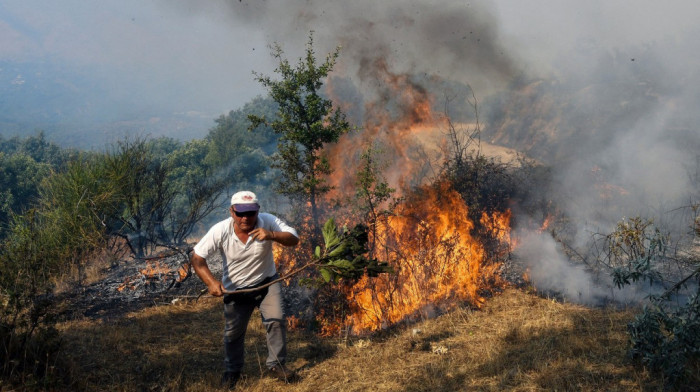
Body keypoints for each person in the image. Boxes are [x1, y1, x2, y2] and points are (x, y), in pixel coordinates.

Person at [191, 190, 300, 388]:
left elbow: (294, 238)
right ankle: (233, 371)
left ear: (258, 211)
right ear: (231, 212)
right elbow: (197, 258)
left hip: (266, 283)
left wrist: (272, 235)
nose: (245, 218)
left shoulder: (267, 221)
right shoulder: (220, 230)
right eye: (240, 213)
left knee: (276, 320)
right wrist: (211, 283)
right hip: (236, 291)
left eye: (250, 213)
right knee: (233, 332)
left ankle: (276, 365)